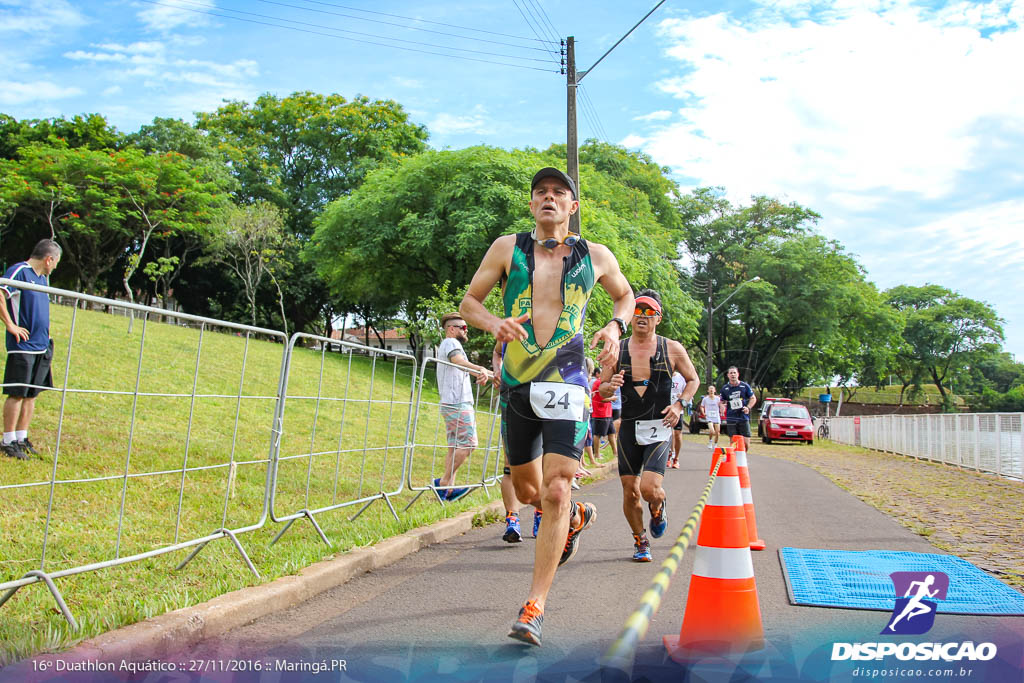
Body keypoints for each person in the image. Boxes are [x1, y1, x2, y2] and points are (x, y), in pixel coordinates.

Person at [460, 167, 633, 646]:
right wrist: (494, 322)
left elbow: (625, 296)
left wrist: (615, 328)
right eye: (541, 193)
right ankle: (575, 519)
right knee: (527, 488)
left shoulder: (594, 255)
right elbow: (469, 302)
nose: (550, 198)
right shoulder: (506, 248)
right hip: (517, 383)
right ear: (532, 204)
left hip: (569, 382)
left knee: (557, 489)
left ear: (572, 207)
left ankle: (534, 605)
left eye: (560, 193)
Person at [600, 289, 699, 562]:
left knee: (649, 489)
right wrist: (611, 386)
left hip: (660, 424)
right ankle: (640, 540)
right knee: (630, 492)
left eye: (648, 312)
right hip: (629, 428)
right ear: (630, 316)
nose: (642, 317)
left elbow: (693, 380)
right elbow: (602, 391)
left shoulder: (672, 348)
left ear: (658, 318)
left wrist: (679, 405)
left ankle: (658, 504)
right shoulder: (616, 348)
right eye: (637, 311)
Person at [1, 239, 61, 461]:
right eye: (56, 262)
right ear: (49, 259)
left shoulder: (43, 279)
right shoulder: (19, 271)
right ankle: (7, 441)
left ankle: (21, 437)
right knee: (17, 393)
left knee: (31, 394)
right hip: (22, 346)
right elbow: (1, 292)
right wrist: (10, 325)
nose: (55, 266)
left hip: (41, 345)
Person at [434, 312, 492, 502]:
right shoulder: (451, 343)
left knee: (454, 446)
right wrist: (480, 370)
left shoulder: (449, 344)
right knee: (469, 443)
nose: (466, 330)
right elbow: (458, 362)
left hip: (452, 402)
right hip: (457, 402)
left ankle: (448, 489)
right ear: (451, 329)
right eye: (463, 327)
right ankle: (443, 483)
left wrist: (492, 374)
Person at [492, 341, 524, 542]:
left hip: (546, 399)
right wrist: (497, 371)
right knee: (509, 465)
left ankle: (541, 513)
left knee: (545, 465)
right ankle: (512, 519)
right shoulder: (511, 326)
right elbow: (497, 352)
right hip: (513, 396)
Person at [720, 366, 756, 452]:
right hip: (731, 417)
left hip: (743, 417)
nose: (733, 375)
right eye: (731, 373)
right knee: (733, 441)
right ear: (728, 375)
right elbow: (722, 401)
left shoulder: (744, 386)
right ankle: (734, 460)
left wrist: (748, 407)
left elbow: (753, 398)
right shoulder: (725, 388)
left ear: (738, 374)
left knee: (746, 442)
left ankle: (743, 458)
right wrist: (722, 406)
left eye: (734, 373)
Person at [589, 361, 613, 462]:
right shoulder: (598, 383)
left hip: (606, 412)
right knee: (597, 434)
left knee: (611, 433)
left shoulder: (601, 382)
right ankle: (597, 454)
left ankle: (615, 452)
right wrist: (612, 398)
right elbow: (601, 398)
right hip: (600, 412)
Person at [666, 371, 685, 469]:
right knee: (670, 433)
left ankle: (676, 458)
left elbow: (688, 394)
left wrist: (682, 397)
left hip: (678, 410)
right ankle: (669, 456)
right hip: (666, 408)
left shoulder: (681, 378)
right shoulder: (664, 374)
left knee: (677, 434)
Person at [699, 385, 723, 449]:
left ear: (715, 391)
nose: (711, 390)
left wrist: (722, 409)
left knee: (717, 432)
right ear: (708, 391)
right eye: (710, 389)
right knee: (712, 431)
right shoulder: (705, 399)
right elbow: (702, 406)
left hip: (716, 416)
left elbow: (722, 405)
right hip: (709, 416)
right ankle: (710, 441)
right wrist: (703, 412)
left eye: (712, 389)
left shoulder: (718, 398)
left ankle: (715, 444)